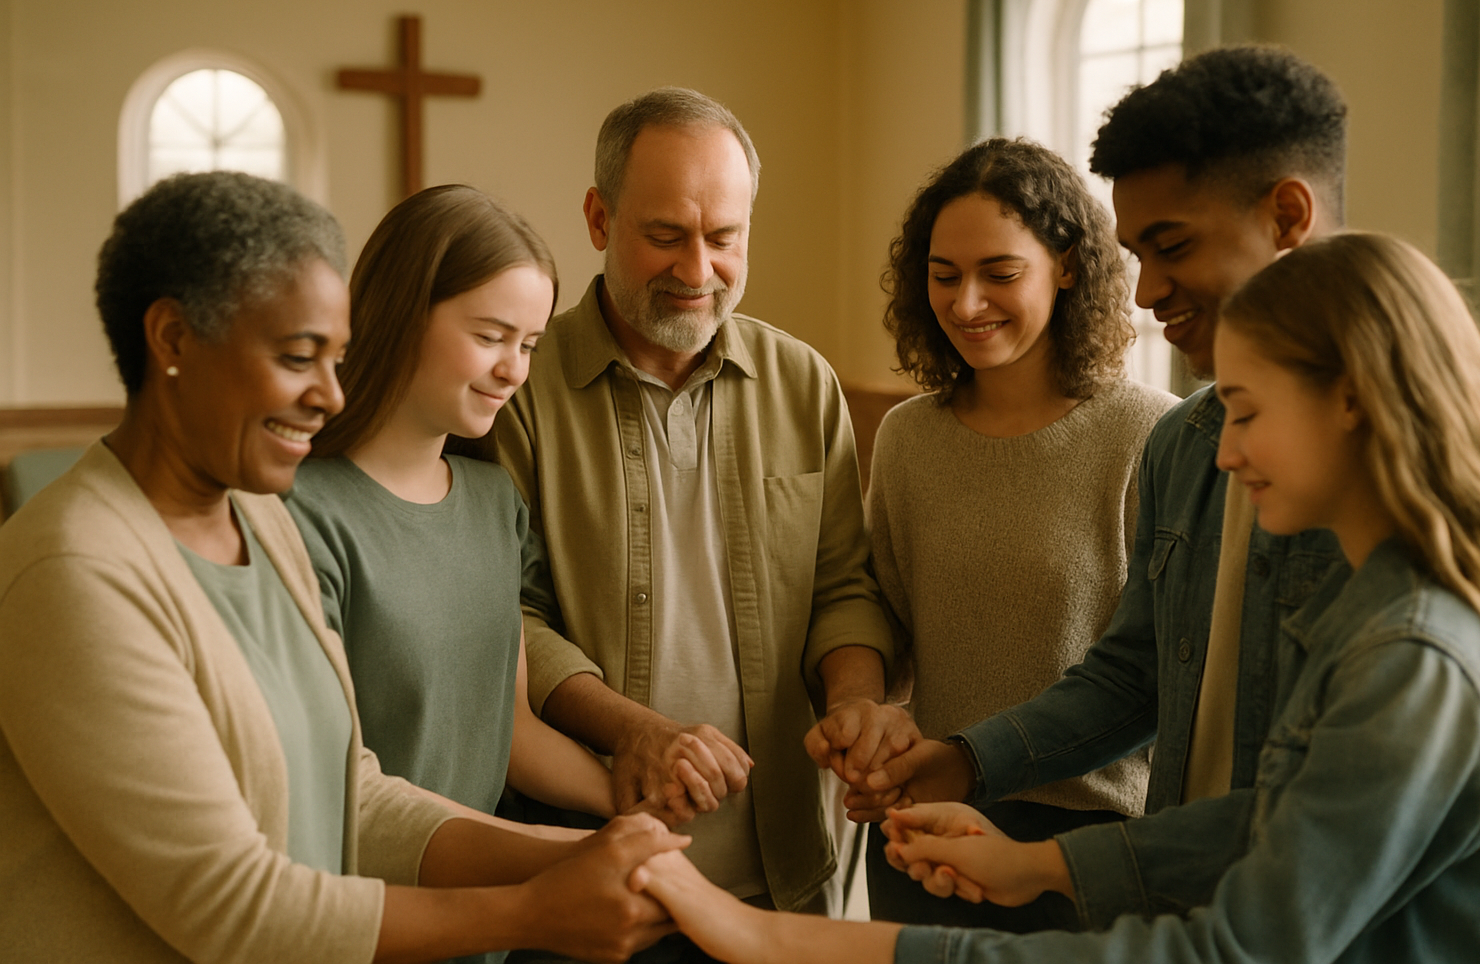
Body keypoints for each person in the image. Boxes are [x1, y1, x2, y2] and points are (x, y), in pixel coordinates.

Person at [628, 231, 1480, 964]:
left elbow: (1232, 946)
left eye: (1249, 413)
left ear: (1350, 400)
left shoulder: (1413, 654)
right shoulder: (1375, 615)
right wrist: (1036, 864)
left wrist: (780, 939)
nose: (1224, 453)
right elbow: (1272, 823)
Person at [0, 171, 685, 963]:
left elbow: (349, 791)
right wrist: (531, 912)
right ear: (173, 340)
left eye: (337, 358)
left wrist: (573, 853)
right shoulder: (74, 571)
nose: (330, 396)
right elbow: (233, 906)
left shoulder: (255, 517)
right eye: (299, 358)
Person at [847, 45, 1352, 926]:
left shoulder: (1398, 483)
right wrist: (963, 761)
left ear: (1287, 216)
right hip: (1175, 896)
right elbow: (1134, 676)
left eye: (1173, 247)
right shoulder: (1190, 446)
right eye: (1138, 252)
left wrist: (1052, 863)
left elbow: (1319, 825)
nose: (1149, 289)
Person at [495, 87, 909, 921]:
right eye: (664, 236)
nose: (697, 271)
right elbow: (506, 616)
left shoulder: (803, 382)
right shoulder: (519, 388)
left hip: (785, 873)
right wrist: (634, 730)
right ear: (599, 219)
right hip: (597, 867)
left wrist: (855, 702)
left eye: (724, 238)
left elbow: (842, 585)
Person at [283, 186, 626, 964]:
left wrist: (624, 803)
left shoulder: (492, 501)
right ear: (404, 313)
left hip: (486, 915)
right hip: (359, 920)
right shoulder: (300, 513)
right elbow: (338, 787)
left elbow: (506, 731)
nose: (513, 369)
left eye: (531, 343)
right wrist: (547, 854)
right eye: (490, 335)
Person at [859, 137, 1177, 930]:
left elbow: (1158, 671)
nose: (967, 304)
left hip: (1094, 844)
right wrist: (861, 719)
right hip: (924, 823)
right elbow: (882, 620)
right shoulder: (906, 437)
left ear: (1068, 266)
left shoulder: (1150, 434)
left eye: (999, 274)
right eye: (943, 276)